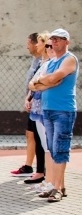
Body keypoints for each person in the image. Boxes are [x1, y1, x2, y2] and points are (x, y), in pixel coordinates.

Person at [28, 28, 78, 202]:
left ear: (67, 42)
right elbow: (32, 85)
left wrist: (43, 82)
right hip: (48, 109)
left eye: (59, 39)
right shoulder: (50, 62)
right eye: (53, 39)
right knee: (52, 148)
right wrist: (45, 82)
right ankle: (59, 186)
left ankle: (57, 189)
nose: (55, 42)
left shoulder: (69, 59)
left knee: (60, 148)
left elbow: (50, 79)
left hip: (63, 110)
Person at [16, 32, 46, 180]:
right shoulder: (36, 60)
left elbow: (38, 83)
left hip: (40, 105)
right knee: (31, 135)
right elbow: (32, 84)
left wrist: (32, 96)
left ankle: (42, 171)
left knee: (41, 138)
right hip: (33, 104)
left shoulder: (46, 62)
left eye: (29, 43)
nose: (27, 46)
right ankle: (29, 166)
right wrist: (28, 98)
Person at [27, 32, 54, 192]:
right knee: (42, 142)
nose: (37, 45)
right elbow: (32, 84)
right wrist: (31, 93)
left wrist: (36, 84)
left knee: (48, 145)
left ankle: (50, 180)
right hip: (37, 106)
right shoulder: (41, 63)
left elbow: (43, 83)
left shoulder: (51, 63)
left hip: (45, 107)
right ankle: (47, 179)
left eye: (40, 42)